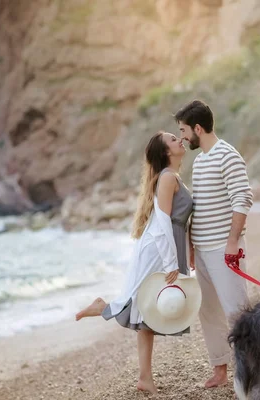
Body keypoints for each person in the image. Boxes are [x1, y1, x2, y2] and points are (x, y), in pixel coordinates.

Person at [74, 131, 193, 395]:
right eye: (174, 139)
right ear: (166, 153)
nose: (179, 140)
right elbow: (163, 222)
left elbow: (177, 222)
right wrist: (172, 261)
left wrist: (186, 253)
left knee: (145, 308)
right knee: (144, 308)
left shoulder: (172, 177)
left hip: (166, 245)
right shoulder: (168, 177)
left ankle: (144, 376)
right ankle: (107, 311)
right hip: (160, 249)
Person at [175, 99, 254, 388]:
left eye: (184, 130)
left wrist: (233, 242)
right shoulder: (199, 161)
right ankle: (220, 370)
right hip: (204, 252)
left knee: (237, 311)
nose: (183, 137)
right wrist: (193, 247)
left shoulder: (227, 155)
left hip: (225, 249)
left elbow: (243, 199)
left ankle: (250, 372)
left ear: (198, 128)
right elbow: (201, 207)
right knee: (208, 311)